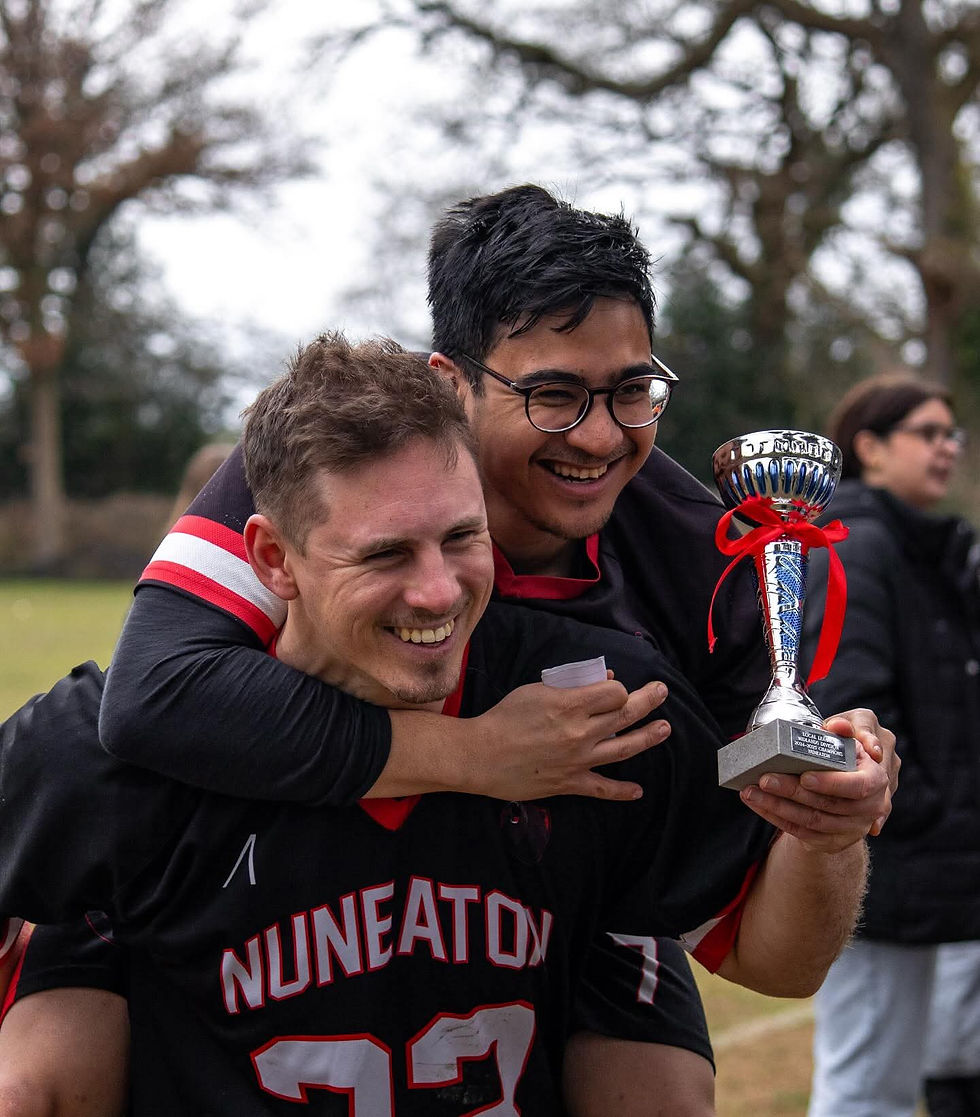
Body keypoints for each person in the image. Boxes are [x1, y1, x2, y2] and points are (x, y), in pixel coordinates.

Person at [4, 187, 893, 1115]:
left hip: (562, 850)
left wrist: (830, 809)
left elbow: (772, 899)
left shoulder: (692, 568)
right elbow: (153, 695)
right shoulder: (328, 454)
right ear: (451, 384)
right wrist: (477, 754)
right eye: (554, 395)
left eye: (632, 390)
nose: (601, 434)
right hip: (276, 827)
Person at [802, 373, 980, 1117]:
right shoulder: (856, 547)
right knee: (867, 1091)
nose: (948, 449)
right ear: (870, 448)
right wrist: (923, 812)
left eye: (952, 434)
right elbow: (850, 708)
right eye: (928, 433)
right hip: (883, 861)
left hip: (931, 864)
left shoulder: (926, 552)